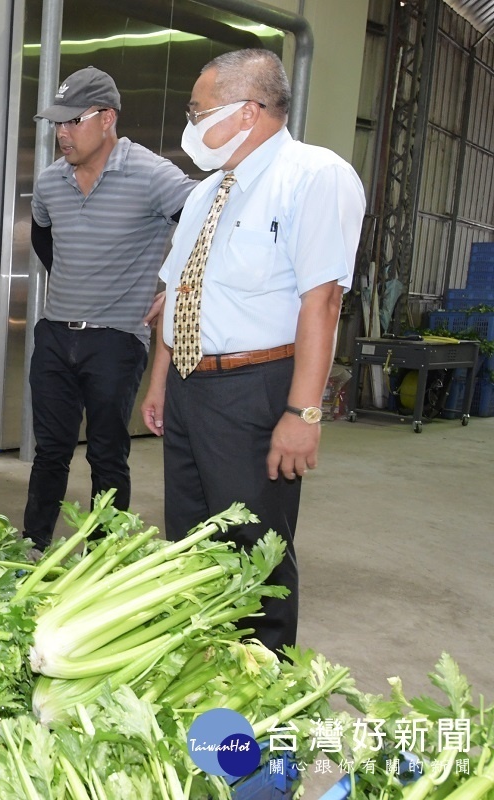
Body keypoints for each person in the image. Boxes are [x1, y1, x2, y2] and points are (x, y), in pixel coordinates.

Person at [140, 49, 366, 653]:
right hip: (191, 387)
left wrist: (303, 413)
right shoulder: (205, 194)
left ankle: (264, 687)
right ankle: (206, 669)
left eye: (198, 110)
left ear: (247, 112)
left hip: (255, 389)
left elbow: (322, 303)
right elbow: (177, 294)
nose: (190, 124)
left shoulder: (314, 176)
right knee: (192, 543)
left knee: (254, 549)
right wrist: (161, 383)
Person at [23, 66, 196, 551]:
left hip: (116, 338)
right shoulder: (51, 182)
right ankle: (32, 541)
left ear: (107, 118)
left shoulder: (152, 175)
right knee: (51, 450)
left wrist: (179, 286)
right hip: (56, 333)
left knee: (106, 452)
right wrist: (75, 280)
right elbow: (42, 235)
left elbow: (206, 225)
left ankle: (105, 552)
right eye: (56, 123)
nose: (62, 133)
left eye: (73, 121)